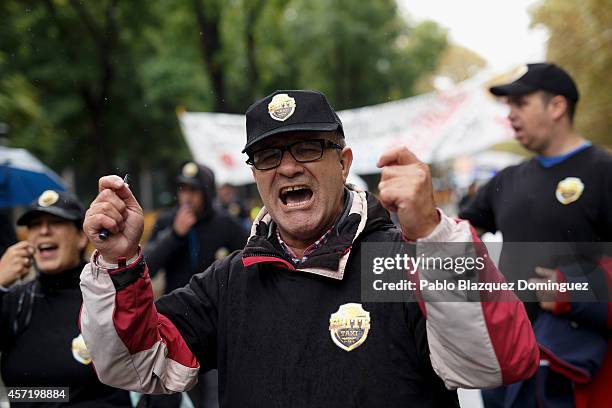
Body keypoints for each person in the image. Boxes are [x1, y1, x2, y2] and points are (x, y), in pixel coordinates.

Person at [79, 90, 539, 407]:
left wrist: (435, 237)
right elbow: (135, 366)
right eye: (269, 156)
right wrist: (118, 262)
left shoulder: (402, 262)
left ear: (343, 163)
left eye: (307, 148)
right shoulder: (232, 280)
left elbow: (500, 361)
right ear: (255, 175)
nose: (288, 168)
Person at [459, 63, 612, 407]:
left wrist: (573, 289)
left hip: (581, 371)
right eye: (507, 105)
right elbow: (454, 237)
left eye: (520, 103)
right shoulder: (506, 180)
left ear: (556, 106)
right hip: (511, 361)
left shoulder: (603, 172)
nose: (510, 114)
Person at [0, 190, 130, 407]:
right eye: (34, 224)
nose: (43, 231)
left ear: (81, 237)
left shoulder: (108, 295)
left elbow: (152, 376)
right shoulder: (18, 300)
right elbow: (15, 394)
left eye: (56, 222)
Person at [145, 162, 248, 294]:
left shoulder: (224, 222)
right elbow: (147, 270)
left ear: (206, 193)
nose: (187, 197)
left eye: (193, 190)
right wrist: (174, 235)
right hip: (175, 307)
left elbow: (248, 258)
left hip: (214, 309)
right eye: (183, 189)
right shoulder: (167, 220)